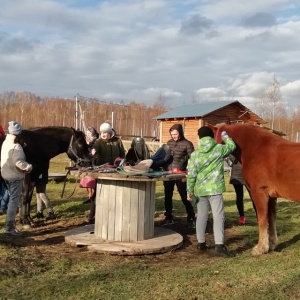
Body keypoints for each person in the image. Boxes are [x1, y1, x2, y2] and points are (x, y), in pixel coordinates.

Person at [187, 126, 236, 257]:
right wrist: (225, 136)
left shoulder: (195, 154)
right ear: (211, 136)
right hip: (215, 189)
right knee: (218, 216)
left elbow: (191, 174)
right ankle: (219, 245)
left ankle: (201, 243)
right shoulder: (219, 149)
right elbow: (232, 146)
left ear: (199, 137)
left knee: (201, 216)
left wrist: (189, 190)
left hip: (200, 190)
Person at [88, 121, 125, 223]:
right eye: (102, 133)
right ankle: (91, 216)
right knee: (98, 194)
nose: (103, 135)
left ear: (110, 132)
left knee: (115, 194)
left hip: (116, 171)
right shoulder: (99, 142)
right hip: (102, 171)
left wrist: (122, 162)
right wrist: (93, 151)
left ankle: (113, 216)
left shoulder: (117, 141)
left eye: (105, 133)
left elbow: (122, 154)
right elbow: (95, 147)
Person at [0, 121, 32, 236]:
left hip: (6, 175)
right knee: (14, 202)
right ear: (18, 133)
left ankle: (11, 226)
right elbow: (18, 162)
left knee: (12, 201)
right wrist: (28, 167)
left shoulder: (6, 142)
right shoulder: (16, 146)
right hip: (14, 176)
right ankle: (9, 227)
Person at [162, 123, 196, 229]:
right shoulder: (169, 143)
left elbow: (193, 160)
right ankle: (168, 216)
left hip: (181, 174)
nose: (173, 136)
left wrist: (187, 174)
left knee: (184, 196)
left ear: (180, 133)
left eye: (175, 134)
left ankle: (191, 216)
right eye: (172, 134)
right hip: (169, 173)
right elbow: (165, 157)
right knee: (167, 196)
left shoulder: (188, 144)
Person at [226, 154, 255, 225]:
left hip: (249, 172)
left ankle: (259, 215)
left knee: (253, 195)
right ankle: (242, 216)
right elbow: (230, 156)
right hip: (237, 173)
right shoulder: (234, 145)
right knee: (239, 196)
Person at [80, 127, 99, 205]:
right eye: (86, 133)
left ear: (92, 133)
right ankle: (89, 197)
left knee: (92, 182)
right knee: (87, 182)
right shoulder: (86, 140)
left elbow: (93, 150)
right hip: (86, 162)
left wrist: (89, 145)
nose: (87, 134)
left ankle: (94, 197)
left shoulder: (95, 141)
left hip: (93, 162)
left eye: (89, 133)